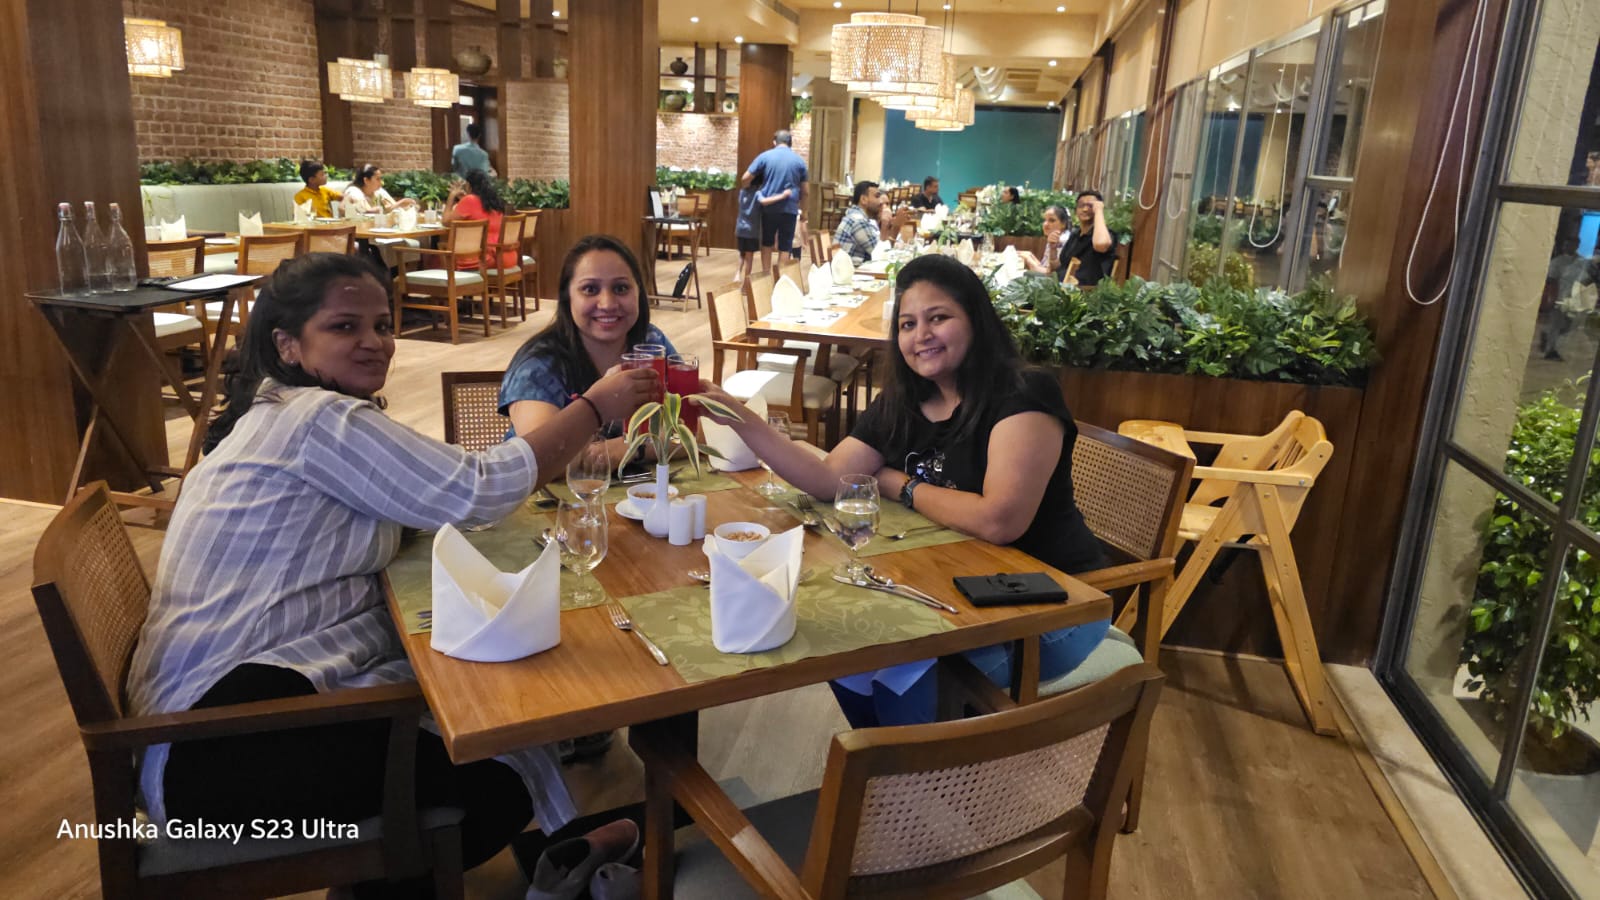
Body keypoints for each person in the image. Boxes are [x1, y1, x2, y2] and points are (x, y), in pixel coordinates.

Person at [127, 252, 657, 898]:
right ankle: (396, 876)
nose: (374, 342)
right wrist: (595, 405)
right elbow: (480, 489)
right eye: (344, 327)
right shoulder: (317, 421)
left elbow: (423, 492)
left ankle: (507, 859)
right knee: (493, 766)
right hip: (215, 746)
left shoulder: (284, 411)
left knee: (480, 706)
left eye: (382, 325)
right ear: (288, 344)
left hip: (199, 718)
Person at [698, 254, 1108, 726]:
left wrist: (900, 484)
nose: (921, 335)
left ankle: (924, 770)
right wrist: (738, 416)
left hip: (1053, 604)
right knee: (850, 653)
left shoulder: (1023, 394)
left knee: (904, 670)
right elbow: (828, 480)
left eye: (939, 318)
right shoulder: (907, 400)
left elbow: (999, 520)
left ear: (976, 320)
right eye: (908, 324)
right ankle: (893, 765)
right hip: (957, 586)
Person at [500, 234, 678, 464]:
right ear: (567, 298)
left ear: (639, 293)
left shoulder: (652, 343)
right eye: (590, 289)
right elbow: (544, 460)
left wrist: (628, 449)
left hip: (644, 486)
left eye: (621, 288)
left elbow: (698, 430)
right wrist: (640, 445)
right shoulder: (537, 365)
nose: (607, 304)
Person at [741, 129, 808, 277]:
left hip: (769, 207)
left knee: (767, 243)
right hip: (790, 208)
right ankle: (780, 278)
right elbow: (805, 191)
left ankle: (766, 275)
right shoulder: (799, 161)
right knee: (785, 246)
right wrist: (804, 211)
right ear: (791, 143)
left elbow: (745, 178)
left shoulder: (765, 157)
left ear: (774, 142)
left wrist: (751, 190)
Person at [443, 169, 518, 270]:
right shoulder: (494, 202)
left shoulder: (469, 200)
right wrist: (464, 199)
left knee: (441, 257)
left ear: (469, 186)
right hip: (507, 257)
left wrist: (451, 196)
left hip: (486, 259)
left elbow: (445, 221)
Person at [833, 180, 883, 265]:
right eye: (877, 196)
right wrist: (892, 227)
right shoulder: (858, 221)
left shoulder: (860, 217)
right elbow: (880, 255)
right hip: (851, 271)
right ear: (863, 199)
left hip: (852, 268)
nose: (881, 202)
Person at [341, 164, 417, 217]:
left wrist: (404, 205)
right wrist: (364, 212)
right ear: (366, 180)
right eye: (378, 179)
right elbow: (341, 208)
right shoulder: (353, 191)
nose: (381, 182)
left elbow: (391, 207)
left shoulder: (379, 192)